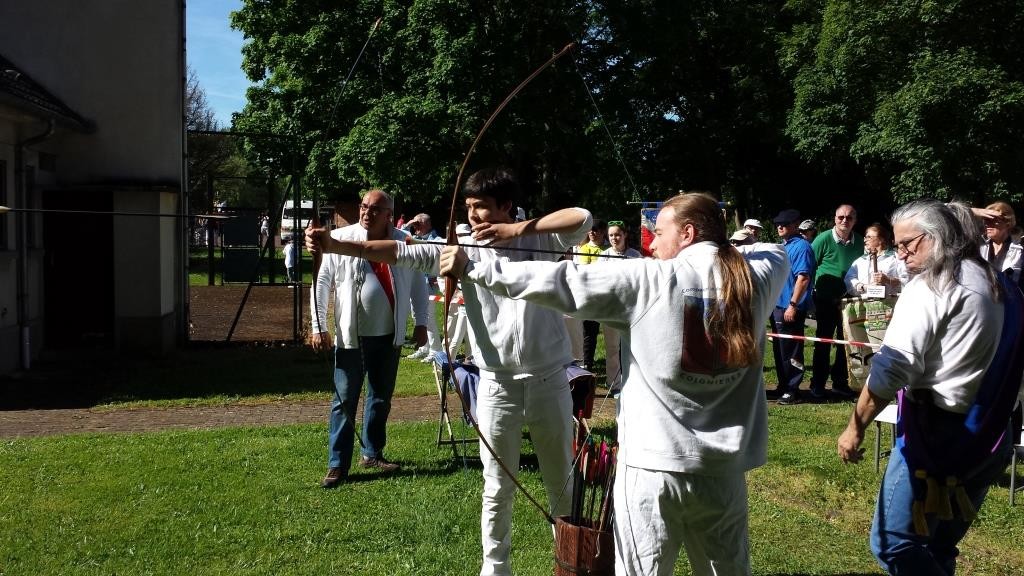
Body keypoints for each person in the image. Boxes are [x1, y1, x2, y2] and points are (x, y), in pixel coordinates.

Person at [438, 192, 789, 576]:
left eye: (659, 232)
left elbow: (562, 280)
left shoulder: (650, 279)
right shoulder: (756, 277)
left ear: (687, 233)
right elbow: (775, 251)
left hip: (653, 474)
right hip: (723, 474)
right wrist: (727, 250)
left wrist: (474, 267)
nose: (651, 243)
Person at [306, 167, 591, 576]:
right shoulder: (459, 248)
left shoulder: (540, 237)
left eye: (482, 209)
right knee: (497, 486)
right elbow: (395, 252)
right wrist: (334, 244)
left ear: (506, 207)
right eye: (470, 209)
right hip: (496, 383)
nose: (473, 218)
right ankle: (495, 570)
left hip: (549, 377)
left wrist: (515, 232)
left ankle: (572, 565)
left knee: (561, 481)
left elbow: (581, 216)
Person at [837, 199, 1017, 575]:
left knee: (894, 545)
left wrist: (855, 428)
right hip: (990, 435)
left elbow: (890, 370)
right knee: (939, 544)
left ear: (939, 237)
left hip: (936, 438)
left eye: (908, 244)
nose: (900, 254)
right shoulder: (1003, 287)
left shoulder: (934, 285)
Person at [310, 189, 429, 489]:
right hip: (350, 337)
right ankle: (337, 464)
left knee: (380, 398)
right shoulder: (340, 237)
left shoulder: (404, 242)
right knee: (344, 400)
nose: (366, 213)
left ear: (389, 214)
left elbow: (418, 283)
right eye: (364, 207)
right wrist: (318, 325)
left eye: (375, 209)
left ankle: (372, 453)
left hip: (389, 336)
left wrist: (422, 322)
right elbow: (322, 281)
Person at [809, 204, 864, 400]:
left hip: (849, 301)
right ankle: (818, 384)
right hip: (825, 299)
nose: (844, 221)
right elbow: (809, 266)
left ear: (855, 221)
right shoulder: (823, 239)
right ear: (835, 218)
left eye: (849, 218)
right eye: (841, 217)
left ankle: (840, 383)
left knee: (846, 343)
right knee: (823, 341)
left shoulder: (859, 242)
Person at [768, 208, 816, 405]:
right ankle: (783, 385)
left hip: (790, 306)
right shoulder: (783, 246)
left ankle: (793, 389)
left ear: (796, 225)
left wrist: (793, 305)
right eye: (778, 224)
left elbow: (803, 278)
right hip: (777, 305)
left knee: (792, 350)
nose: (780, 227)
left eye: (785, 224)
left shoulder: (801, 247)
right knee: (780, 350)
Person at [600, 220, 641, 394]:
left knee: (635, 348)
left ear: (625, 235)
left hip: (632, 309)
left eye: (617, 234)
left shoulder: (635, 255)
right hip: (611, 309)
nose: (614, 238)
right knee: (612, 348)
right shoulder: (603, 257)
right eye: (611, 235)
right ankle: (614, 384)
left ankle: (636, 382)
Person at [402, 213, 445, 363]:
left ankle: (435, 350)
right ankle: (423, 347)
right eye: (414, 225)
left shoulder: (436, 240)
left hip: (429, 284)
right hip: (415, 283)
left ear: (427, 224)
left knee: (428, 318)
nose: (415, 227)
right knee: (418, 316)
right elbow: (399, 237)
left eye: (418, 224)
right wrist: (408, 224)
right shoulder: (415, 238)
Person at [844, 222, 907, 297]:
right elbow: (849, 279)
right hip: (866, 305)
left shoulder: (895, 258)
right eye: (865, 237)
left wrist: (888, 280)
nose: (865, 240)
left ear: (881, 239)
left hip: (890, 304)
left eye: (869, 237)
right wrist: (863, 287)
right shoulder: (860, 261)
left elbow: (907, 280)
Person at [576, 220, 607, 370]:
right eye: (590, 230)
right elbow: (585, 271)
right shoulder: (585, 248)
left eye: (595, 230)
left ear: (602, 232)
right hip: (591, 296)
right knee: (589, 333)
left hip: (608, 296)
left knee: (613, 336)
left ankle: (616, 367)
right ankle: (588, 365)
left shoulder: (609, 248)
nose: (592, 233)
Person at [979, 201, 1023, 285]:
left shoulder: (1019, 251)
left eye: (993, 220)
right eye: (986, 220)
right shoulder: (978, 247)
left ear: (1007, 223)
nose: (988, 224)